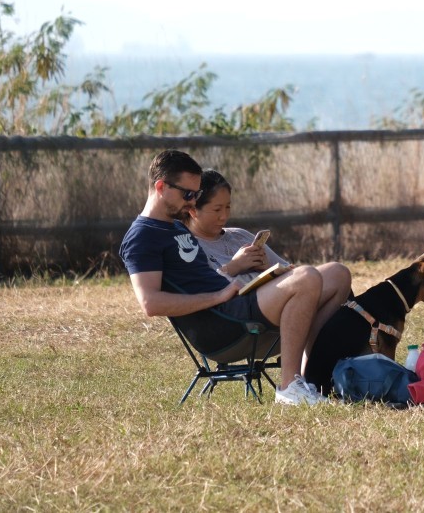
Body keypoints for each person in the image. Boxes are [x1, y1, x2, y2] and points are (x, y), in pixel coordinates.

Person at [119, 149, 351, 406]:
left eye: (196, 195)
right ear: (161, 187)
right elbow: (150, 303)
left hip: (237, 301)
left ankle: (310, 379)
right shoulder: (142, 237)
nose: (193, 202)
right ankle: (289, 389)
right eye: (188, 194)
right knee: (306, 277)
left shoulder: (174, 227)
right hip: (222, 323)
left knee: (336, 274)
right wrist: (218, 294)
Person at [183, 167, 352, 365]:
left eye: (228, 207)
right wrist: (234, 266)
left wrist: (269, 270)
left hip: (277, 308)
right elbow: (204, 293)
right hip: (235, 323)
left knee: (338, 273)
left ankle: (311, 368)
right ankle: (294, 377)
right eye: (217, 209)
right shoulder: (189, 247)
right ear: (193, 211)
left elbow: (294, 272)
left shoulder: (239, 235)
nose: (224, 216)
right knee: (306, 277)